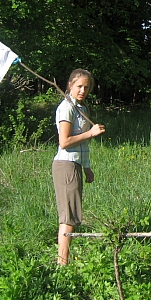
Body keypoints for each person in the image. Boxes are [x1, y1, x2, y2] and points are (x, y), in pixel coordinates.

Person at [53, 69, 106, 265]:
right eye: (79, 86)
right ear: (70, 85)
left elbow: (82, 145)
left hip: (75, 163)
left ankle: (63, 261)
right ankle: (62, 264)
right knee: (68, 217)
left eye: (86, 87)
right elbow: (64, 142)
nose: (83, 90)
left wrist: (86, 167)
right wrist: (91, 133)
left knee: (72, 215)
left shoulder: (82, 108)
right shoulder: (66, 107)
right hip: (65, 164)